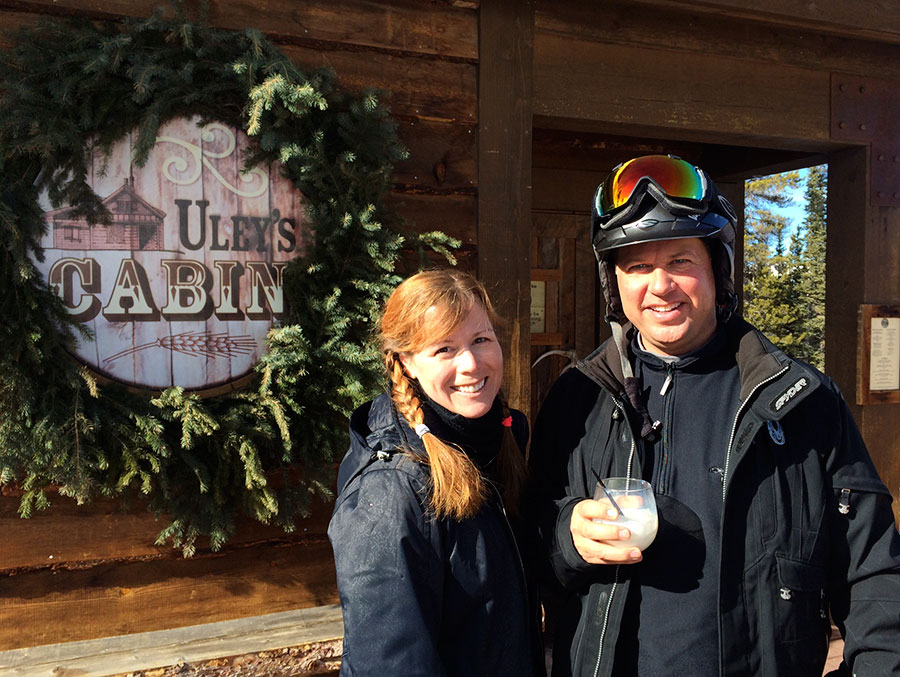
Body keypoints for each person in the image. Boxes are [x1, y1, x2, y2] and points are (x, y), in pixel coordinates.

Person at [528, 154, 900, 676]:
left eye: (680, 261)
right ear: (614, 283)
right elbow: (524, 542)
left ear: (716, 269)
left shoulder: (802, 402)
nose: (659, 286)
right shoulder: (579, 399)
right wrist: (567, 535)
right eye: (636, 266)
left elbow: (875, 573)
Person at [328, 268, 545, 676]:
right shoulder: (392, 489)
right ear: (406, 363)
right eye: (444, 349)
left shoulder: (497, 438)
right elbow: (391, 663)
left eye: (481, 339)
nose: (470, 364)